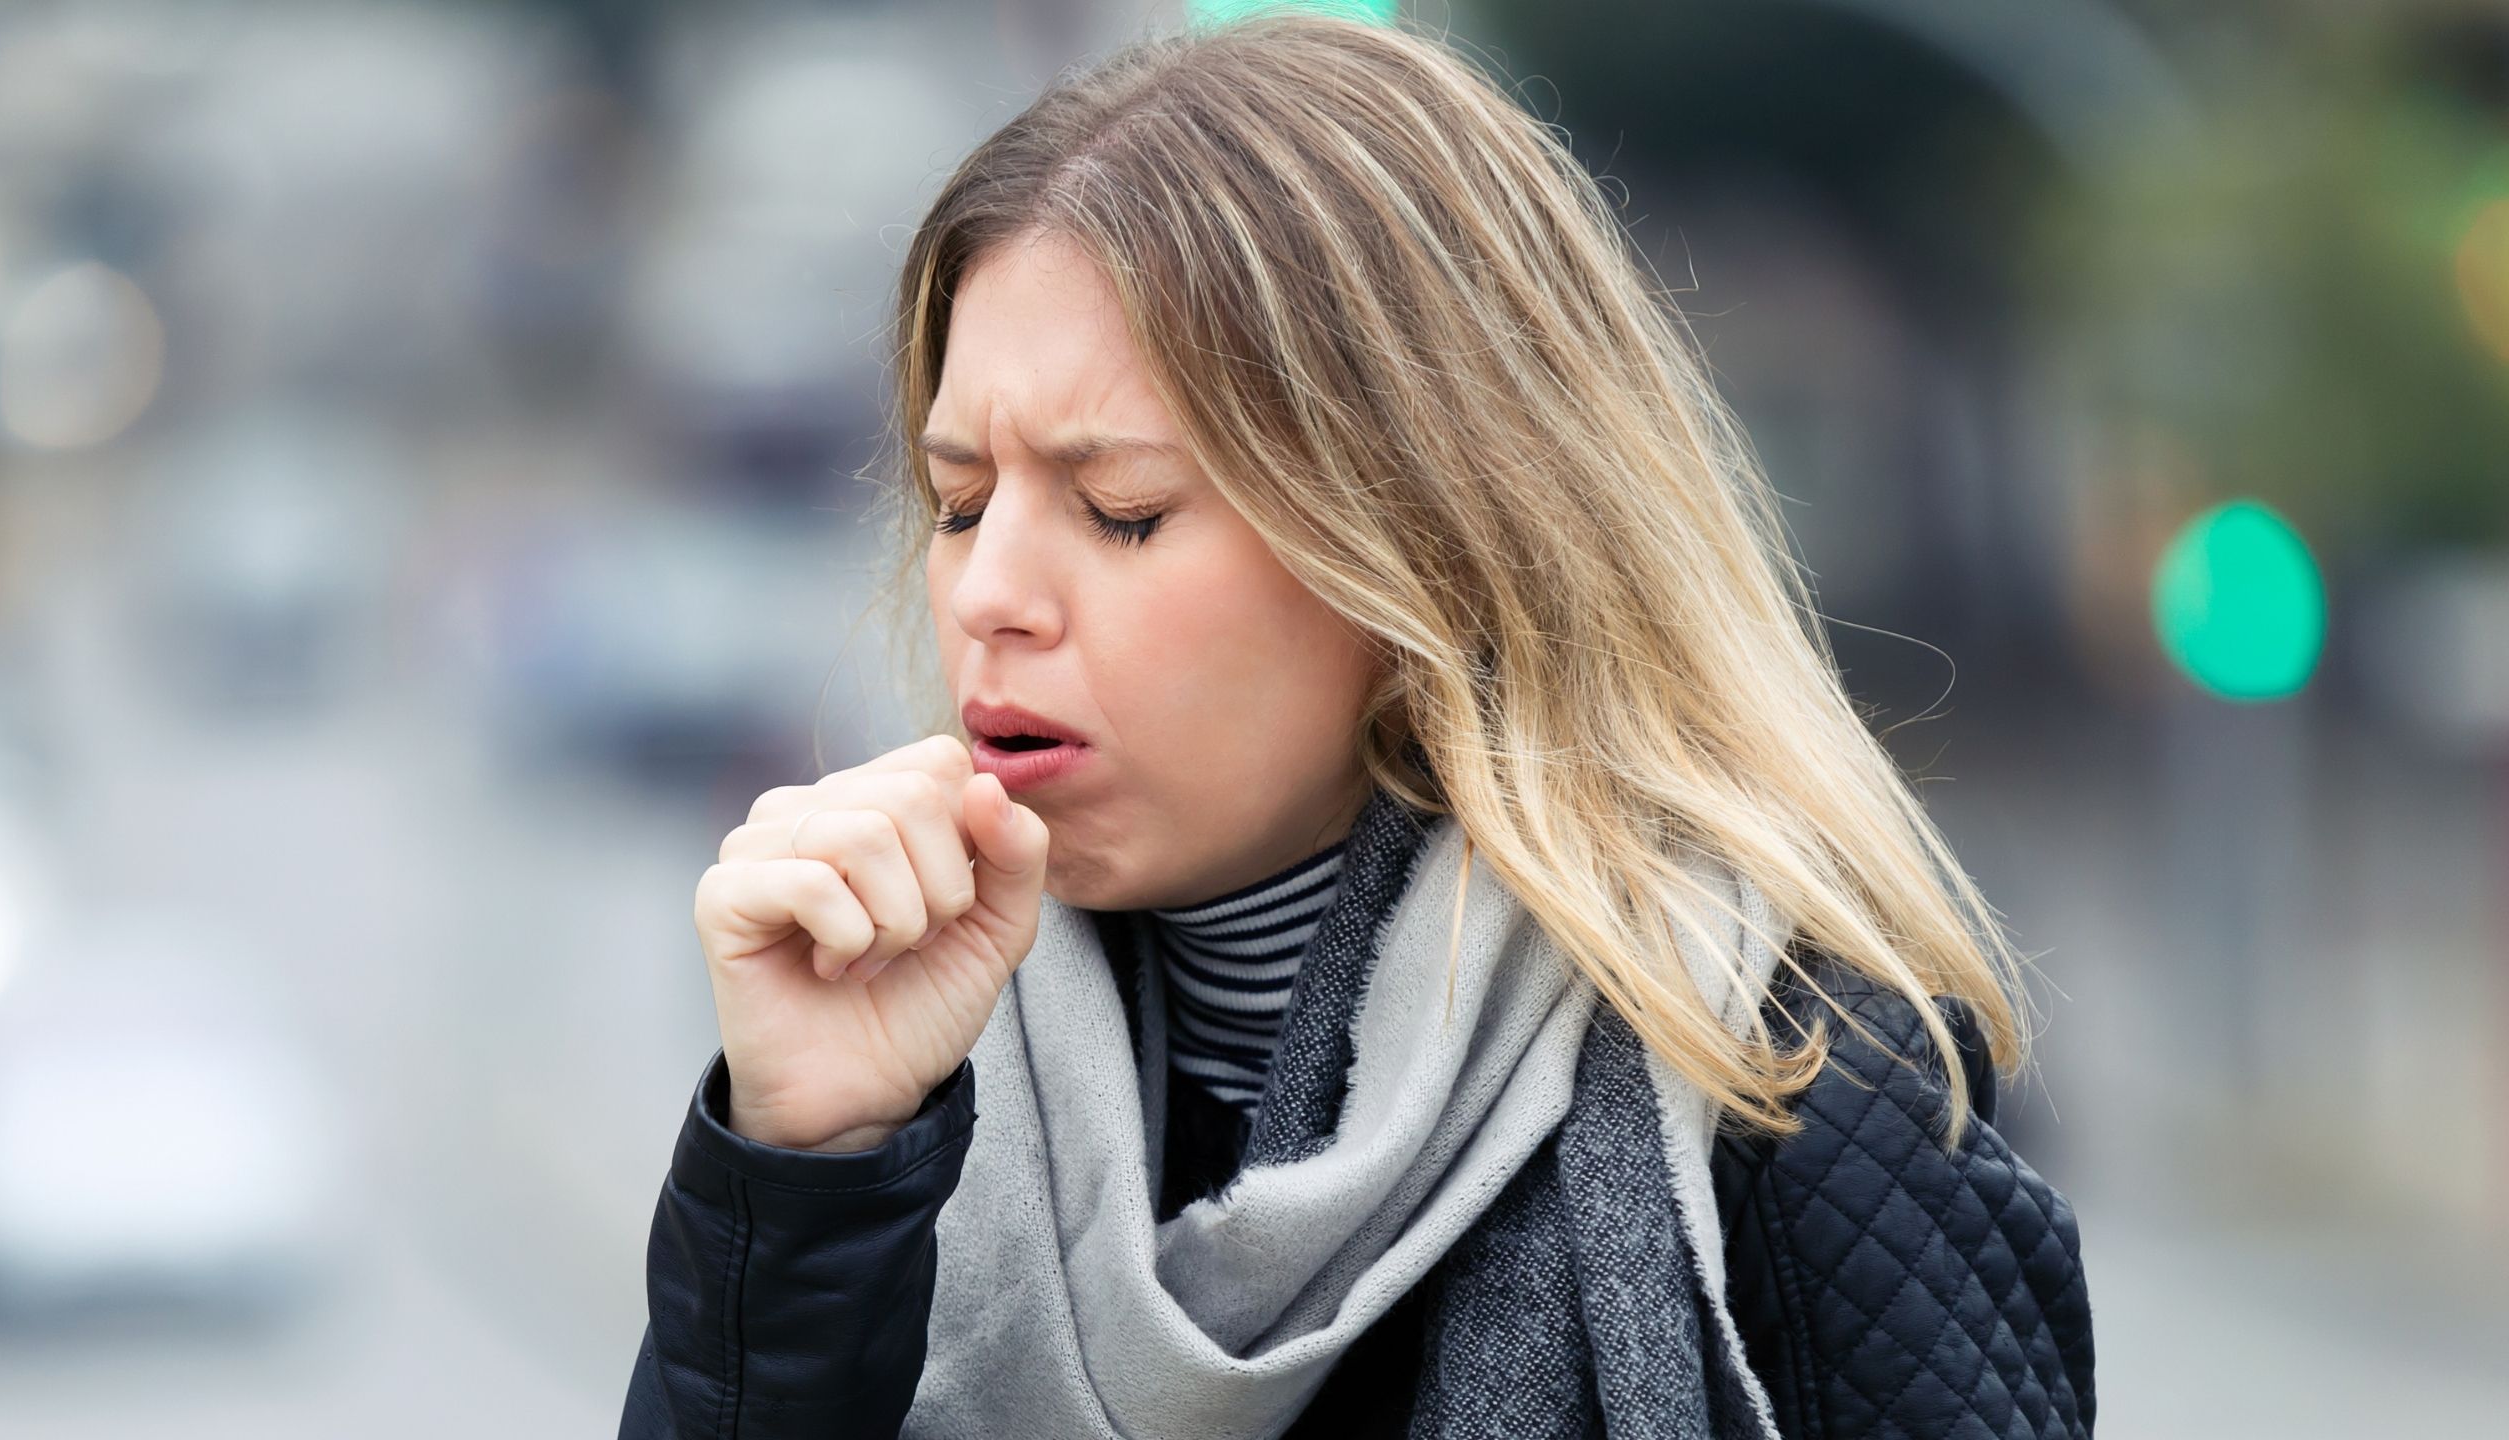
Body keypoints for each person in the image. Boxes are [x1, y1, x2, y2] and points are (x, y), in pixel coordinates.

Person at [619, 12, 2093, 1439]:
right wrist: (804, 1174)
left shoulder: (1799, 1094)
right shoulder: (897, 1089)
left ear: (1426, 542)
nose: (989, 593)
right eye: (960, 503)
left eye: (1119, 512)